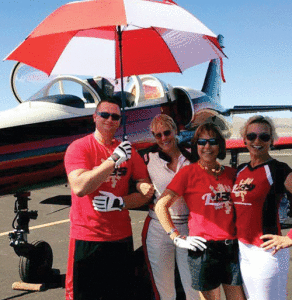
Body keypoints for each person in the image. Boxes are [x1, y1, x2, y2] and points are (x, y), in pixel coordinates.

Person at [64, 97, 154, 300]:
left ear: (120, 121)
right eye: (104, 114)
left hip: (120, 238)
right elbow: (79, 187)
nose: (109, 120)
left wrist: (121, 202)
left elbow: (144, 191)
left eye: (115, 116)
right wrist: (113, 160)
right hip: (87, 238)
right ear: (94, 117)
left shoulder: (129, 151)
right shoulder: (79, 148)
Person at [155, 123, 246, 300]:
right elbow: (161, 205)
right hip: (204, 249)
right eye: (201, 142)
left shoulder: (232, 174)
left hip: (232, 247)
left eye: (212, 141)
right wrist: (175, 237)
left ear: (220, 145)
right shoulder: (188, 173)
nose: (207, 147)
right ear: (196, 146)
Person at [231, 115, 292, 299]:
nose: (257, 141)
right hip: (243, 250)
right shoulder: (241, 169)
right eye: (251, 136)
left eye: (264, 137)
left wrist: (289, 238)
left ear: (272, 140)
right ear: (244, 139)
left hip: (267, 253)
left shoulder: (279, 169)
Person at [140, 114, 200, 299]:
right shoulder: (147, 157)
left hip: (189, 226)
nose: (163, 138)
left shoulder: (193, 155)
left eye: (167, 132)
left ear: (175, 131)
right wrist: (139, 185)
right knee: (163, 286)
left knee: (193, 285)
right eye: (158, 135)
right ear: (153, 135)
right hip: (159, 227)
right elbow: (136, 178)